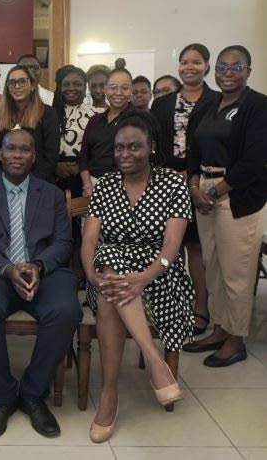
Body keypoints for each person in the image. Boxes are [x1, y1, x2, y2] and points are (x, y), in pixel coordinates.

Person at [82, 114, 192, 443]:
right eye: (119, 147)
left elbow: (172, 246)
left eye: (134, 146)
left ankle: (108, 395)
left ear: (152, 147)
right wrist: (91, 275)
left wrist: (144, 276)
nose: (126, 153)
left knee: (109, 296)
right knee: (109, 268)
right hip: (109, 274)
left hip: (160, 273)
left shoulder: (172, 183)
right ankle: (154, 360)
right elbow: (89, 241)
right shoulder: (106, 187)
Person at [0, 129, 80, 440]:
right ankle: (2, 396)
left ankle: (32, 393)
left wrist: (38, 266)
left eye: (25, 149)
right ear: (0, 154)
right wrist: (6, 268)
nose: (17, 154)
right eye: (11, 149)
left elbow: (62, 242)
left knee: (67, 310)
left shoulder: (52, 194)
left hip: (44, 271)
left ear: (34, 156)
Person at [183, 45, 267, 367]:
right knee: (213, 267)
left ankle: (236, 339)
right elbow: (193, 150)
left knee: (237, 273)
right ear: (213, 71)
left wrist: (216, 191)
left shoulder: (258, 106)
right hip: (204, 191)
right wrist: (195, 187)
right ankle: (219, 329)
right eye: (222, 67)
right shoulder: (209, 105)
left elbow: (254, 160)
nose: (228, 73)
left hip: (237, 195)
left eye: (236, 67)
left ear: (249, 70)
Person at [151, 43, 219, 336]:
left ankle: (200, 309)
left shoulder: (217, 101)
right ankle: (169, 305)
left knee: (196, 247)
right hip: (167, 182)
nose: (189, 67)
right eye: (184, 62)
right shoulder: (163, 103)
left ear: (206, 66)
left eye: (196, 62)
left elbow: (216, 144)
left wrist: (190, 175)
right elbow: (156, 144)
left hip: (201, 181)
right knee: (168, 245)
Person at [0, 65, 60, 182]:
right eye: (12, 82)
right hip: (6, 185)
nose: (17, 86)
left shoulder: (48, 113)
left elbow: (51, 156)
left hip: (39, 184)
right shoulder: (2, 114)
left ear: (32, 85)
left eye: (22, 81)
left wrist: (26, 185)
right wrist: (4, 182)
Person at [79, 68, 134, 196]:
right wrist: (87, 186)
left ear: (131, 91)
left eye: (125, 88)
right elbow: (84, 157)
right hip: (91, 185)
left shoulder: (138, 120)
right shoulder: (95, 120)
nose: (118, 92)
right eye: (113, 87)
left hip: (125, 187)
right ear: (106, 89)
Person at [52, 66, 101, 196]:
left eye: (77, 84)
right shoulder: (48, 113)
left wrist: (83, 167)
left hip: (88, 176)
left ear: (85, 89)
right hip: (54, 177)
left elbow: (99, 147)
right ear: (59, 88)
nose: (72, 88)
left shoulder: (97, 114)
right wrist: (55, 166)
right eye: (66, 84)